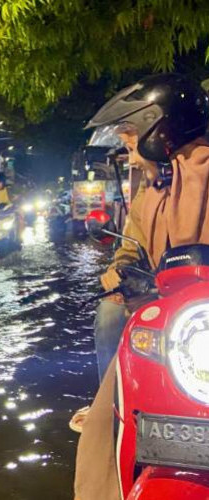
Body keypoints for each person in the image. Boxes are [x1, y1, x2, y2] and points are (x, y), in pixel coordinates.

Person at [74, 73, 209, 500]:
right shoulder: (150, 188)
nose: (129, 156)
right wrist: (120, 271)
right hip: (160, 307)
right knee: (111, 312)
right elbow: (129, 245)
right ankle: (111, 406)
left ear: (159, 132)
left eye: (132, 142)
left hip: (201, 312)